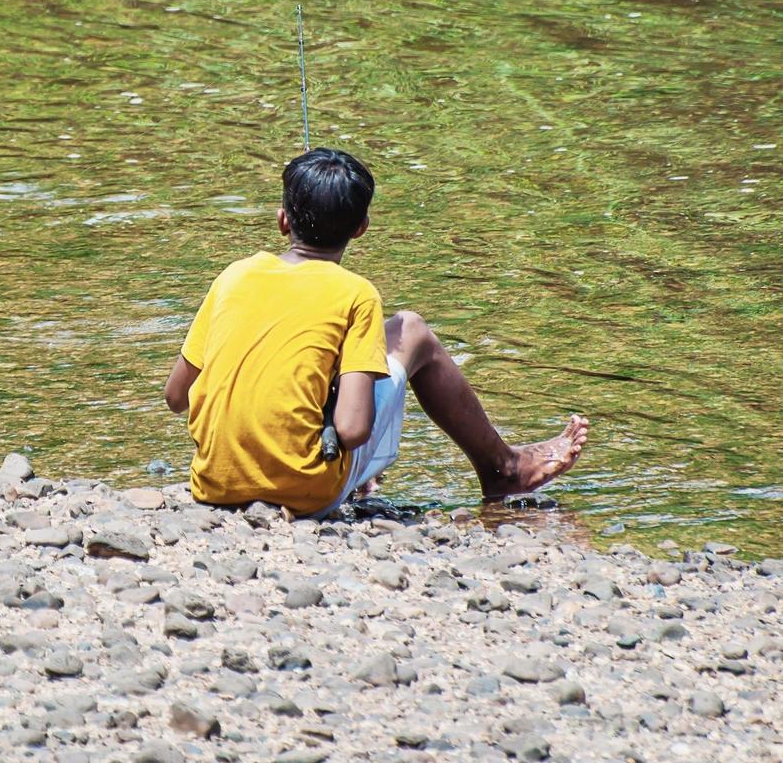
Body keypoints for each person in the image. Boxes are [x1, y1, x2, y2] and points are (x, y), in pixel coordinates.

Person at [163, 147, 588, 518]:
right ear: (361, 228)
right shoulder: (356, 293)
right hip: (307, 492)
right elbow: (351, 430)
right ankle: (505, 470)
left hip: (214, 487)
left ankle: (369, 475)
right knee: (412, 331)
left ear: (281, 221)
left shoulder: (233, 276)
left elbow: (176, 397)